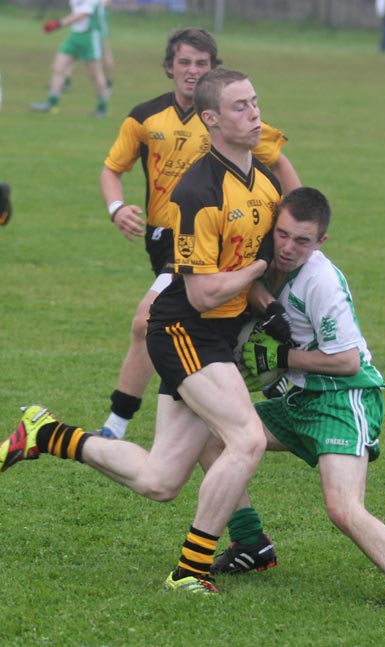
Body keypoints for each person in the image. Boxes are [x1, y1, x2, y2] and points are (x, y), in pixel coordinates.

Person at [0, 68, 285, 595]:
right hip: (185, 329)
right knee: (244, 440)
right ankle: (190, 571)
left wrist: (270, 303)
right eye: (241, 107)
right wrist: (255, 273)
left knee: (160, 480)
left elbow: (279, 214)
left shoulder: (262, 178)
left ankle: (47, 433)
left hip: (221, 337)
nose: (255, 114)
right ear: (211, 119)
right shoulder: (199, 189)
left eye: (255, 102)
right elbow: (201, 295)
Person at [205, 186, 385, 607]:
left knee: (342, 507)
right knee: (211, 433)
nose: (288, 248)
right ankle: (250, 543)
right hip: (299, 400)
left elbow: (348, 361)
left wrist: (282, 355)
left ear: (320, 242)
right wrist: (268, 309)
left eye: (302, 241)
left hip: (343, 400)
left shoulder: (321, 282)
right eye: (282, 234)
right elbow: (255, 286)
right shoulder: (265, 251)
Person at [98, 27, 301, 440]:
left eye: (202, 64)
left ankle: (116, 424)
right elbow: (110, 169)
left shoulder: (232, 119)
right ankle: (267, 377)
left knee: (149, 320)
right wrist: (117, 208)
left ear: (213, 69)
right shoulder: (145, 117)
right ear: (169, 67)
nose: (192, 71)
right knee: (196, 318)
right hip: (164, 241)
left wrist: (297, 226)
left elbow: (278, 163)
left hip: (206, 243)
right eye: (185, 62)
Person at [29, 0, 109, 116]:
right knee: (58, 67)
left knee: (95, 74)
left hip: (90, 36)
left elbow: (83, 13)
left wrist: (59, 23)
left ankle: (102, 107)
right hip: (75, 35)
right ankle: (52, 103)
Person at [63, 0, 114, 95]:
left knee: (104, 51)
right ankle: (65, 79)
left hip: (96, 20)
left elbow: (105, 2)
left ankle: (108, 82)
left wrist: (93, 5)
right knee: (73, 54)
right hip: (83, 22)